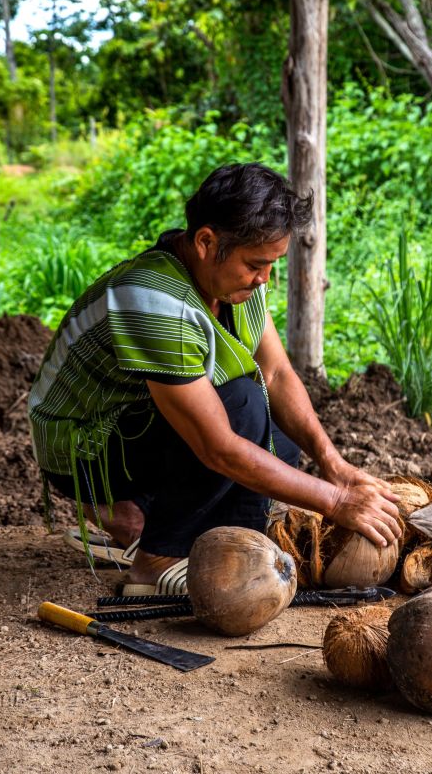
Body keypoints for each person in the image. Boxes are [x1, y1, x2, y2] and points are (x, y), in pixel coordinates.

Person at [28, 162, 400, 594]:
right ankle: (154, 561)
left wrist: (334, 466)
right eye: (256, 265)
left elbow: (277, 374)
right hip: (83, 446)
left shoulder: (234, 283)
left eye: (272, 264)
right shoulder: (153, 300)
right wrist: (336, 502)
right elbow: (217, 447)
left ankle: (224, 550)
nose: (265, 279)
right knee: (241, 402)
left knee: (276, 423)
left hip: (141, 421)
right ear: (206, 241)